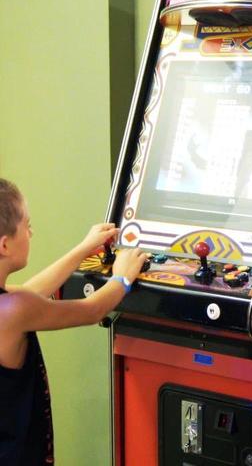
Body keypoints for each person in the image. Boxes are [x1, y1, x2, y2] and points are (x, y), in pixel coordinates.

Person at [0, 178, 147, 465]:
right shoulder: (14, 310)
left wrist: (84, 248)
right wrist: (123, 277)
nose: (31, 232)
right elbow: (91, 310)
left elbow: (32, 291)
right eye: (26, 225)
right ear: (5, 245)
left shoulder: (12, 306)